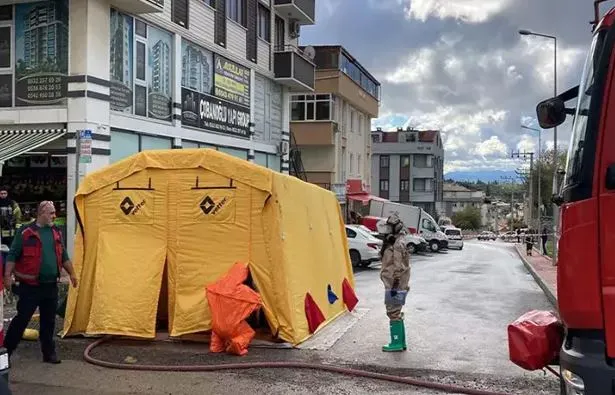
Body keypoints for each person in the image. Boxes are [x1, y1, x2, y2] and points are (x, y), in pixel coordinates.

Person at [3, 201, 78, 363]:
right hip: (30, 287)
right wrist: (7, 275)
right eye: (51, 213)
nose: (54, 216)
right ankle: (6, 353)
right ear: (41, 213)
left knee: (49, 321)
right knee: (22, 319)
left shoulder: (55, 232)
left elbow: (63, 255)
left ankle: (48, 353)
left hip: (50, 285)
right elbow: (13, 254)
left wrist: (72, 274)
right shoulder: (25, 232)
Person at [377, 214, 410, 352]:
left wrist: (395, 286)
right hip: (396, 283)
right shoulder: (397, 241)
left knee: (393, 312)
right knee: (396, 311)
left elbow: (398, 267)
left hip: (395, 284)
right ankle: (401, 342)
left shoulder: (397, 245)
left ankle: (396, 343)